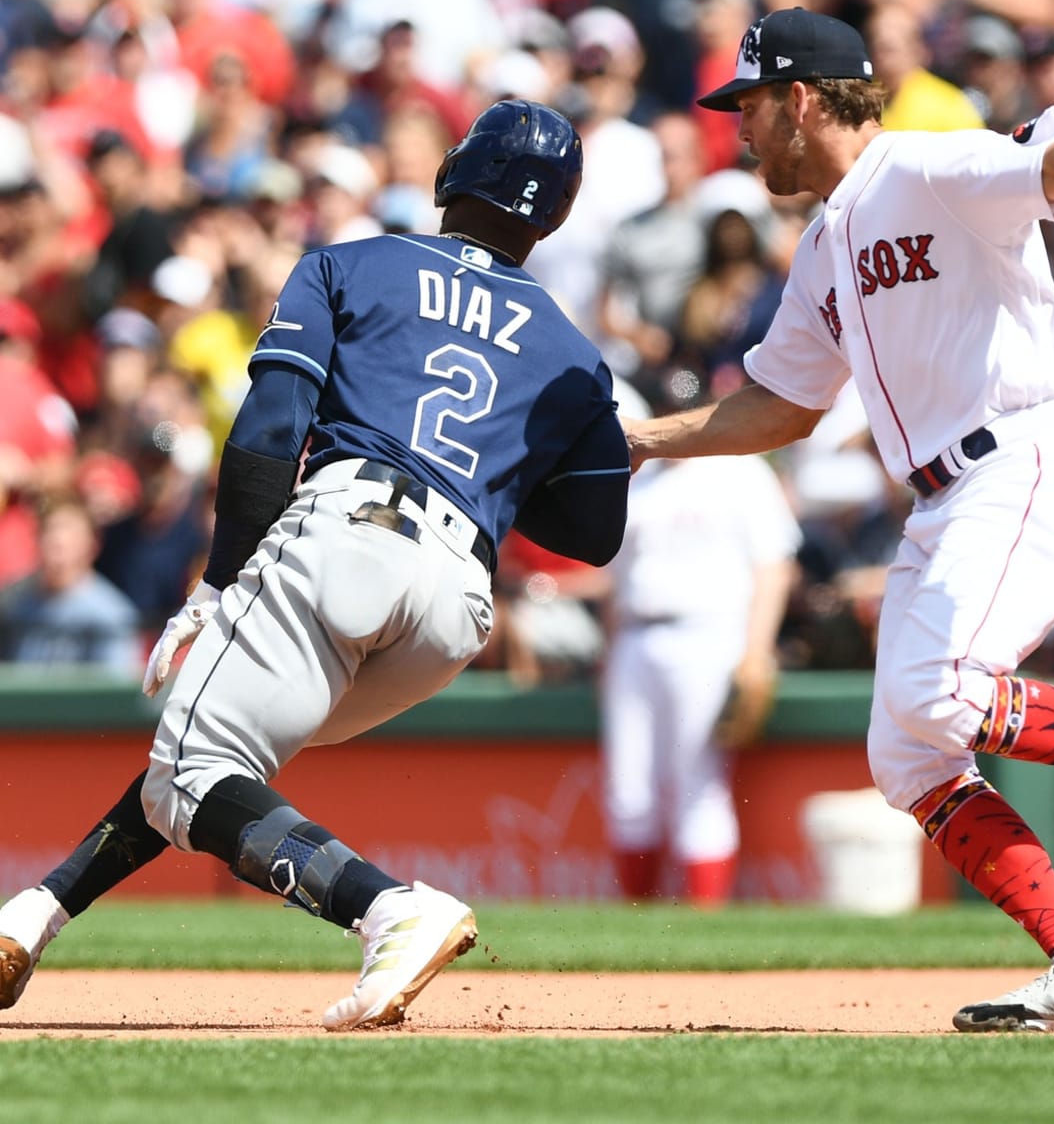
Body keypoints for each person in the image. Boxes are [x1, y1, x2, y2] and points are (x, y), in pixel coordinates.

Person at [623, 6, 1054, 1032]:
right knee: (909, 754)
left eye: (751, 105)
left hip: (1025, 458)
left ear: (802, 99)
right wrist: (641, 440)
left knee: (943, 693)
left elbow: (1048, 172)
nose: (740, 128)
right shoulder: (824, 241)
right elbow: (783, 407)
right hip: (943, 504)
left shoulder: (928, 168)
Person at [0, 100, 631, 1030]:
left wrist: (216, 584)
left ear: (455, 172)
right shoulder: (573, 353)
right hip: (457, 602)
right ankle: (35, 913)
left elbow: (268, 433)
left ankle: (388, 909)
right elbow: (594, 532)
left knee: (197, 763)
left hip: (350, 532)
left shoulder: (355, 261)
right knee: (208, 760)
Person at [601, 378, 799, 905]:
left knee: (698, 786)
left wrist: (756, 652)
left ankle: (702, 923)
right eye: (669, 409)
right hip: (636, 637)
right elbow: (616, 581)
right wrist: (609, 651)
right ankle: (638, 923)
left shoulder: (739, 469)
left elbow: (774, 568)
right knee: (628, 793)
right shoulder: (638, 481)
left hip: (710, 636)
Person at [0, 492, 141, 674]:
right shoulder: (13, 602)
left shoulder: (109, 614)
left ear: (92, 545)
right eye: (50, 533)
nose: (57, 543)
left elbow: (114, 687)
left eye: (69, 535)